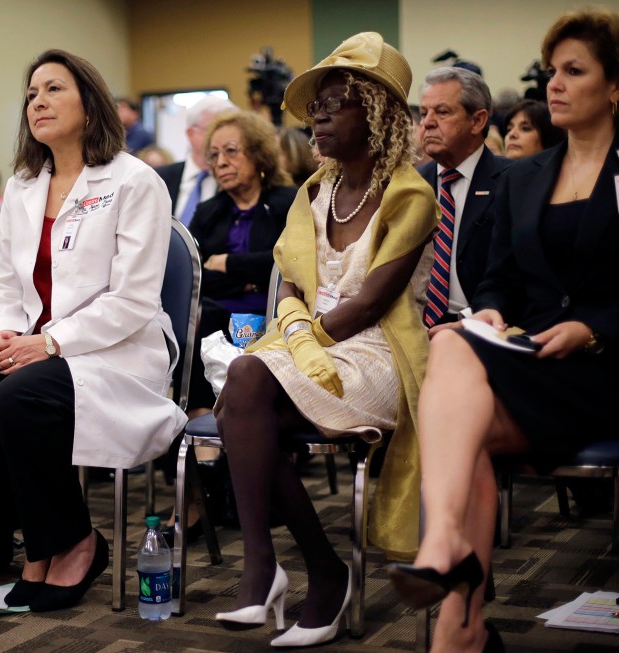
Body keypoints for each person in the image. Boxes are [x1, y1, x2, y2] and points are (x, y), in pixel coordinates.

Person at [387, 9, 619, 653]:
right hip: (536, 360)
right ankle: (460, 628)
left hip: (618, 369)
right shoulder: (525, 175)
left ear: (618, 85)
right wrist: (489, 309)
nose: (555, 85)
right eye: (551, 71)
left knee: (457, 396)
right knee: (455, 340)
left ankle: (448, 572)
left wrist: (593, 328)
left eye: (574, 71)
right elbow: (499, 281)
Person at [0, 49, 186, 613]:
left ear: (90, 106)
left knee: (17, 398)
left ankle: (74, 542)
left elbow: (133, 299)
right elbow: (1, 282)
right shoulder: (24, 185)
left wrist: (49, 341)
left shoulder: (134, 181)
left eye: (53, 89)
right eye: (31, 94)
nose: (38, 102)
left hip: (115, 352)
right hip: (35, 346)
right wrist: (0, 334)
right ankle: (32, 539)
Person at [213, 33, 436, 647]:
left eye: (336, 103)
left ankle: (283, 570)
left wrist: (297, 341)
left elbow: (368, 305)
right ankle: (307, 569)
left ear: (378, 113)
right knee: (245, 404)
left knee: (242, 398)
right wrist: (295, 336)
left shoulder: (411, 195)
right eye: (317, 105)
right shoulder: (314, 192)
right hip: (305, 343)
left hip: (376, 352)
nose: (318, 115)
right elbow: (289, 282)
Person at [187, 111, 295, 416]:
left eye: (231, 151)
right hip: (216, 318)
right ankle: (201, 423)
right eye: (214, 155)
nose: (220, 162)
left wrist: (229, 263)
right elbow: (196, 276)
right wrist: (251, 277)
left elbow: (287, 262)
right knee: (201, 317)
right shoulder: (208, 212)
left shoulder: (289, 202)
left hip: (275, 316)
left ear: (259, 154)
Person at [418, 67, 512, 328]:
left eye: (442, 112)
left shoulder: (512, 181)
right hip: (415, 323)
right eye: (424, 113)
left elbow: (516, 274)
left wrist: (467, 322)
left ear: (478, 121)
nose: (427, 123)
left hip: (484, 323)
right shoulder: (413, 183)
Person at [156, 95, 239, 226]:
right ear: (191, 133)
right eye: (214, 130)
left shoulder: (235, 182)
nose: (224, 139)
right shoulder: (160, 178)